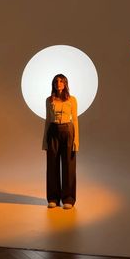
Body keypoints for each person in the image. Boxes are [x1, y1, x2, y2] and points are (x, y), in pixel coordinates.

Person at [42, 74, 79, 209]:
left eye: (61, 81)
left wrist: (77, 140)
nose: (59, 83)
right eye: (56, 81)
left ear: (65, 84)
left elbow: (75, 120)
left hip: (68, 131)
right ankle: (53, 198)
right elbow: (47, 120)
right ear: (53, 84)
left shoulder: (72, 99)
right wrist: (44, 141)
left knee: (69, 165)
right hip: (53, 131)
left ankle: (68, 198)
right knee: (52, 165)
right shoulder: (49, 100)